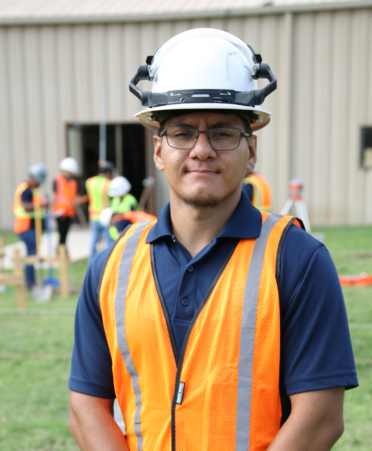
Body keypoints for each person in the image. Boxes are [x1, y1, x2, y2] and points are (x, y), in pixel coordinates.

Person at [68, 29, 358, 451]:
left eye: (223, 133)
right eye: (182, 133)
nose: (201, 149)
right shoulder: (111, 266)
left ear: (251, 151)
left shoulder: (298, 260)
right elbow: (85, 408)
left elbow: (319, 419)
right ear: (158, 151)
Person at [13, 163, 48, 288]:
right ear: (33, 177)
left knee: (32, 253)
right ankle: (30, 283)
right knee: (31, 255)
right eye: (39, 181)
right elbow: (26, 207)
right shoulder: (26, 190)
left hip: (31, 227)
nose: (40, 184)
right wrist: (43, 205)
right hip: (25, 227)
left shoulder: (32, 190)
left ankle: (31, 282)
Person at [85, 161, 115, 262]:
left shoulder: (89, 182)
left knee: (94, 241)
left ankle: (91, 262)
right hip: (105, 217)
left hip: (93, 216)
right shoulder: (108, 183)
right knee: (108, 241)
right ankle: (110, 261)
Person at [53, 157, 82, 249]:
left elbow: (76, 194)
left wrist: (77, 200)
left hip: (70, 211)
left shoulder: (74, 182)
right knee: (62, 233)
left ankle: (62, 249)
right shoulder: (57, 180)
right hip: (60, 212)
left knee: (65, 233)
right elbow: (55, 195)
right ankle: (61, 251)